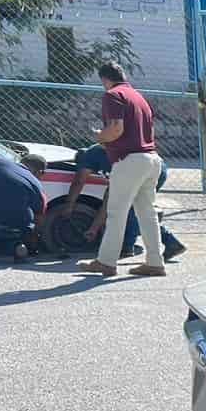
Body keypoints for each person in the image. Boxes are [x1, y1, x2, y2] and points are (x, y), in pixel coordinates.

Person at [79, 61, 164, 278]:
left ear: (104, 79)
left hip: (129, 160)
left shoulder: (112, 95)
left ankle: (106, 262)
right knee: (147, 213)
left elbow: (116, 129)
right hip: (152, 158)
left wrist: (100, 137)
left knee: (116, 212)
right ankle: (155, 262)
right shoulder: (138, 96)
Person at [65, 143, 185, 262]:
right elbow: (109, 200)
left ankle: (127, 247)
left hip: (145, 168)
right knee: (139, 209)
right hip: (153, 165)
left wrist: (69, 205)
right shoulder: (103, 159)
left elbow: (79, 181)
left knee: (134, 208)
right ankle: (171, 243)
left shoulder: (92, 157)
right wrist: (94, 228)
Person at [0, 152, 46, 263]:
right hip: (14, 230)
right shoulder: (37, 185)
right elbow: (40, 217)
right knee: (27, 218)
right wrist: (33, 242)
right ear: (41, 172)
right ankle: (18, 247)